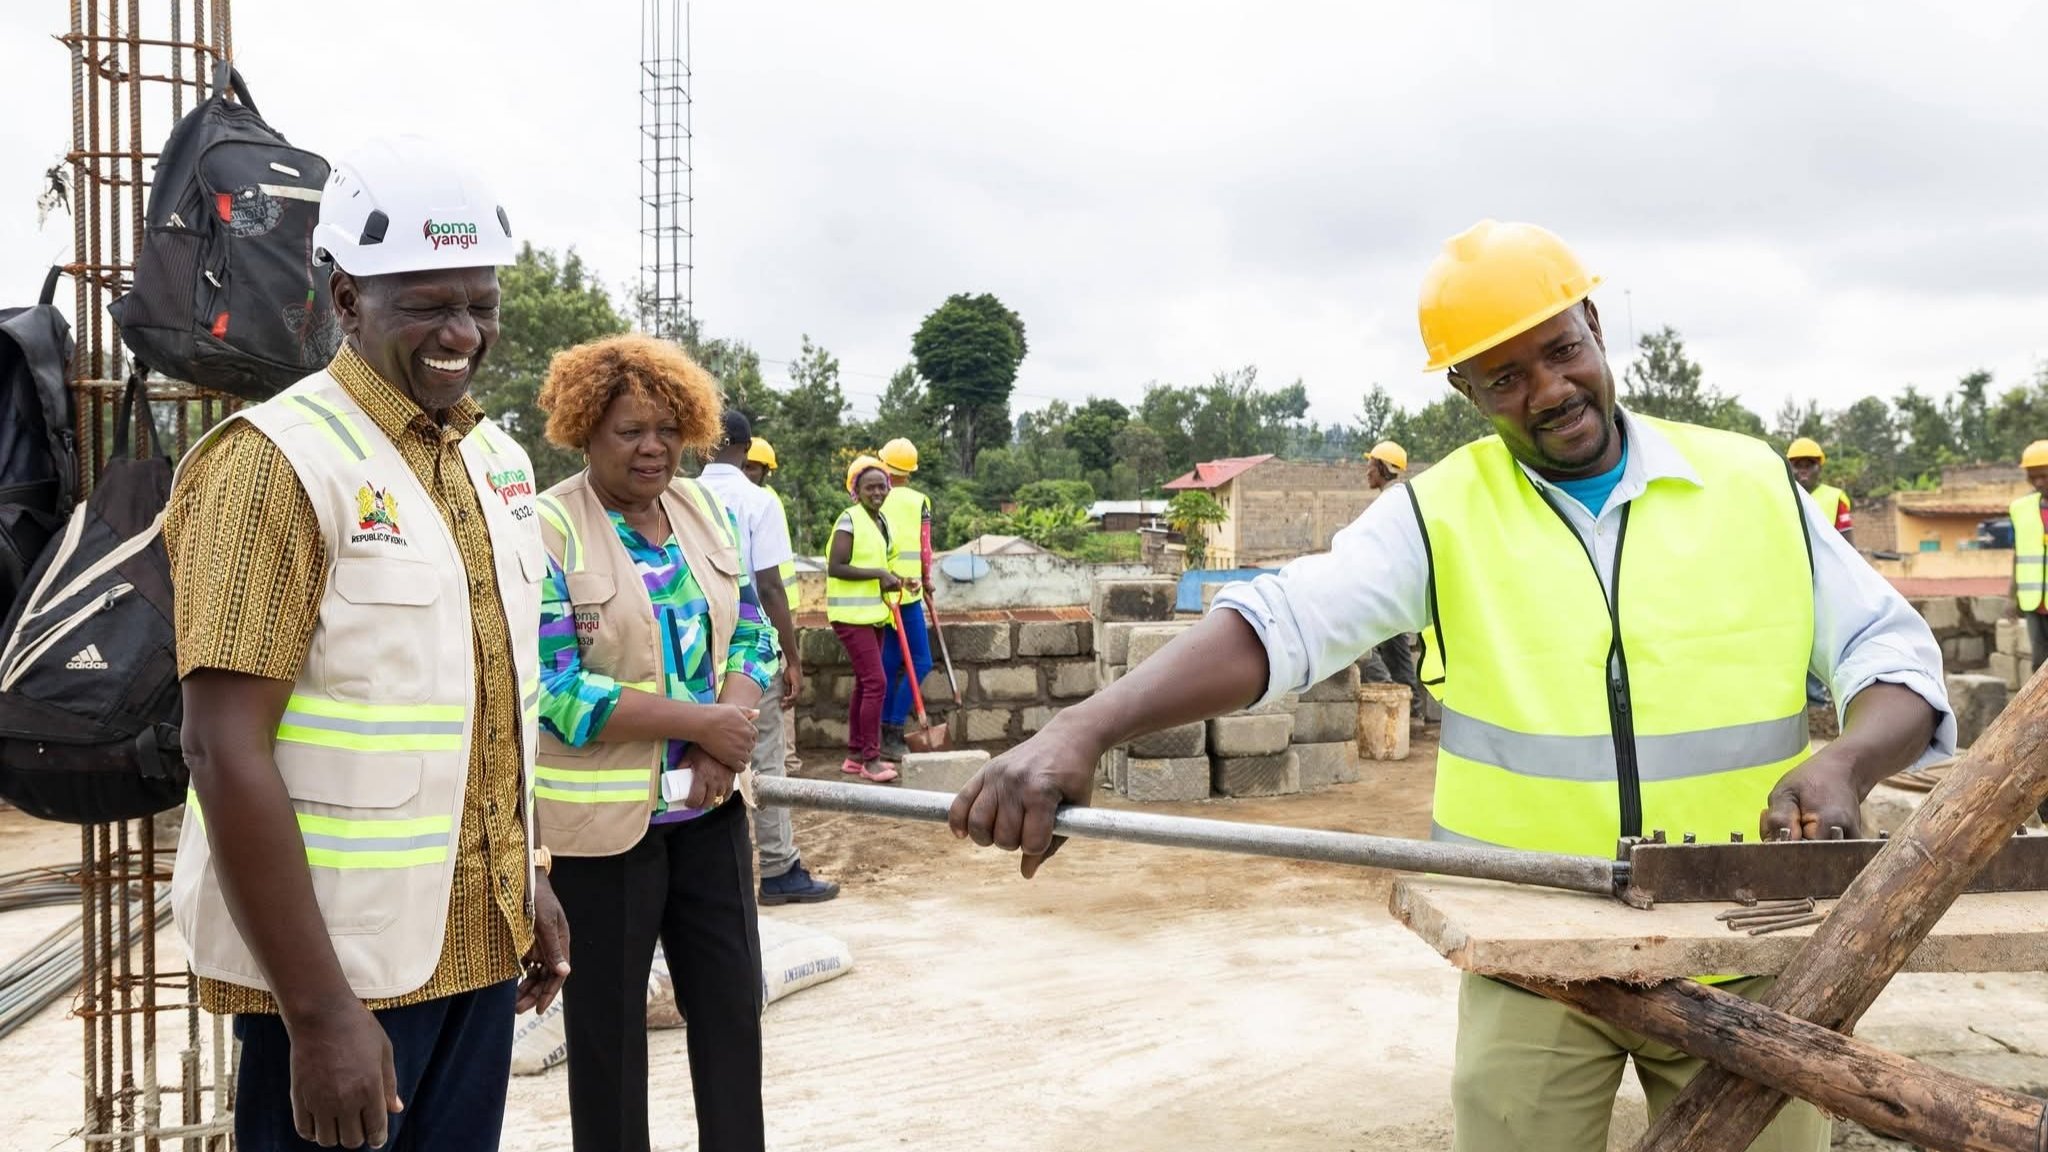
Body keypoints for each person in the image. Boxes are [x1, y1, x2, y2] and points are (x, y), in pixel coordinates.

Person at [949, 219, 1953, 1152]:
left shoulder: (1745, 485)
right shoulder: (1438, 515)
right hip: (1534, 957)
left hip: (1747, 936)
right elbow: (1280, 624)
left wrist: (1847, 761)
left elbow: (1893, 658)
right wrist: (1082, 727)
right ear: (1468, 395)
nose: (1549, 387)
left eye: (1561, 350)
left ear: (1594, 328)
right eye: (1504, 376)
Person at [165, 137, 569, 1152]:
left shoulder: (494, 460)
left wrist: (529, 876)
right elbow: (221, 747)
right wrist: (318, 1016)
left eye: (480, 303)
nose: (462, 333)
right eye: (428, 303)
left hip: (475, 945)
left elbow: (475, 708)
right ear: (346, 300)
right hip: (337, 977)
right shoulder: (277, 464)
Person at [529, 334, 774, 1152]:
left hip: (706, 813)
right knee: (608, 1039)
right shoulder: (550, 528)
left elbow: (754, 637)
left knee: (733, 1011)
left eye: (670, 429)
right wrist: (699, 723)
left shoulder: (701, 510)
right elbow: (559, 691)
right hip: (604, 837)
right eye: (630, 430)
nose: (654, 447)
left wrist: (723, 742)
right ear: (585, 429)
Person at [698, 412, 840, 905]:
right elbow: (771, 587)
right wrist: (792, 657)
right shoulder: (758, 502)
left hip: (694, 656)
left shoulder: (678, 496)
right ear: (746, 447)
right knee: (765, 762)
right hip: (751, 654)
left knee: (697, 759)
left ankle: (705, 879)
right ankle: (778, 868)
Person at [828, 456, 901, 782]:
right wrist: (878, 573)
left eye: (882, 486)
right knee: (876, 683)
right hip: (850, 616)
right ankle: (871, 760)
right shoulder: (849, 520)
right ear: (855, 490)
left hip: (873, 614)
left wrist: (896, 578)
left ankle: (855, 755)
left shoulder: (880, 521)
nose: (877, 492)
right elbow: (836, 566)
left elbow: (876, 563)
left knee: (865, 684)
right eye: (869, 487)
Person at [744, 436, 807, 780]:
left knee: (780, 690)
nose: (748, 473)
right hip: (767, 606)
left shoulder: (766, 500)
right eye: (745, 466)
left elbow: (771, 582)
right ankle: (780, 762)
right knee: (773, 689)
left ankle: (788, 760)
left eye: (754, 468)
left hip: (778, 608)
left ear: (766, 471)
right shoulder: (759, 499)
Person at [876, 437, 935, 759]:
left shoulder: (876, 495)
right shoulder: (919, 500)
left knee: (890, 661)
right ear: (910, 470)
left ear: (884, 464)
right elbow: (925, 548)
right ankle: (893, 727)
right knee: (922, 661)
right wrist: (927, 581)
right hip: (909, 593)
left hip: (884, 593)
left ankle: (884, 730)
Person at [1360, 439, 1424, 719]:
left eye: (1371, 466)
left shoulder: (1391, 503)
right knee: (1394, 654)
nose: (1367, 472)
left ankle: (1402, 708)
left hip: (1393, 592)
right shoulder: (1398, 499)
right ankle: (1412, 713)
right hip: (1395, 591)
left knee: (1378, 650)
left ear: (1384, 469)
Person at [2009, 440, 2048, 678]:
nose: (2038, 482)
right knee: (2038, 664)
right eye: (2032, 477)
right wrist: (2010, 597)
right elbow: (2018, 554)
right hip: (2033, 602)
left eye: (2044, 475)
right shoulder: (2020, 508)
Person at [1787, 437, 1852, 543]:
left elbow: (1848, 546)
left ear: (1820, 468)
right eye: (1798, 465)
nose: (1803, 470)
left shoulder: (1835, 498)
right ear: (1789, 468)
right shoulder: (1780, 497)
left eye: (1809, 465)